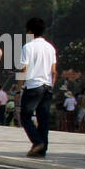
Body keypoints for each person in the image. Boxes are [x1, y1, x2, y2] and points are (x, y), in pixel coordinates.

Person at [17, 16, 56, 158]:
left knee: (25, 116)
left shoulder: (28, 47)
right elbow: (54, 71)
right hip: (47, 86)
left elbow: (23, 70)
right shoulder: (50, 48)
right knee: (43, 118)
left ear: (30, 31)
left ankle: (37, 141)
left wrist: (18, 88)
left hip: (33, 86)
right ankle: (42, 148)